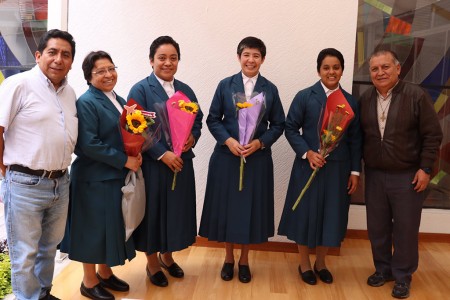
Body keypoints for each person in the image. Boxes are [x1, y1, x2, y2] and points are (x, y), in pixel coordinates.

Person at [199, 36, 285, 283]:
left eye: (256, 55)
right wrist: (229, 141)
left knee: (250, 210)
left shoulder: (270, 89)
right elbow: (213, 119)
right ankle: (228, 258)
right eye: (246, 54)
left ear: (263, 59)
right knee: (227, 209)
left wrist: (259, 143)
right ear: (239, 57)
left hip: (256, 159)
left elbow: (279, 123)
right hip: (227, 157)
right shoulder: (225, 85)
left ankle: (245, 260)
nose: (251, 60)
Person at [359, 49, 442, 299]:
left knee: (405, 228)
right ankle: (383, 270)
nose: (380, 72)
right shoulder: (364, 99)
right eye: (375, 69)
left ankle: (403, 276)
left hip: (407, 175)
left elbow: (433, 135)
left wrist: (426, 168)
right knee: (377, 227)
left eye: (385, 67)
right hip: (374, 174)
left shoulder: (416, 96)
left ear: (398, 69)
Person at [0, 29, 77, 300]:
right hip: (24, 184)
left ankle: (43, 293)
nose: (58, 59)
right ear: (38, 55)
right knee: (24, 253)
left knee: (49, 248)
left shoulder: (70, 93)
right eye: (52, 52)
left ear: (71, 61)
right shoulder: (18, 84)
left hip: (60, 182)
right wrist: (5, 173)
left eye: (65, 55)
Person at [60, 51, 142, 300]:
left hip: (113, 176)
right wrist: (125, 159)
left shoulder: (119, 98)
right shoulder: (87, 102)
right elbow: (89, 144)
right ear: (88, 76)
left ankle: (105, 274)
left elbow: (129, 131)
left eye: (111, 68)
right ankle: (89, 280)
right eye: (100, 71)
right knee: (91, 229)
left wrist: (138, 149)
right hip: (93, 178)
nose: (108, 74)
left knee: (109, 227)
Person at [278, 48, 362, 285]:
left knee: (331, 215)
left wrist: (355, 171)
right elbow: (290, 128)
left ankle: (321, 263)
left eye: (336, 67)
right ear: (319, 70)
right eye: (326, 67)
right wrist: (308, 153)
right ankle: (304, 263)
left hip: (338, 169)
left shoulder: (350, 102)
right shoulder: (305, 96)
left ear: (342, 70)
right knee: (304, 215)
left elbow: (356, 139)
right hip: (308, 166)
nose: (331, 71)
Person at [128, 36, 203, 287]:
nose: (167, 63)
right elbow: (136, 128)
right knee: (154, 213)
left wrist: (193, 136)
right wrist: (162, 153)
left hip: (182, 163)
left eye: (173, 58)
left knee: (175, 212)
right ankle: (152, 263)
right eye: (162, 58)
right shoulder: (140, 89)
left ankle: (167, 256)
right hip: (153, 165)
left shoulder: (185, 90)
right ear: (151, 60)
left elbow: (198, 119)